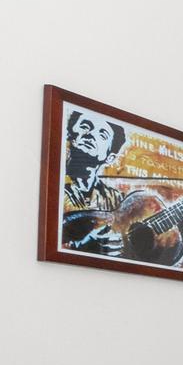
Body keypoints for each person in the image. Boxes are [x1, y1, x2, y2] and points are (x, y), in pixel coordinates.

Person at [59, 108, 129, 257]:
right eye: (85, 127)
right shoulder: (54, 186)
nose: (91, 135)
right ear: (70, 135)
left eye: (102, 135)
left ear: (109, 157)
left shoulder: (115, 199)